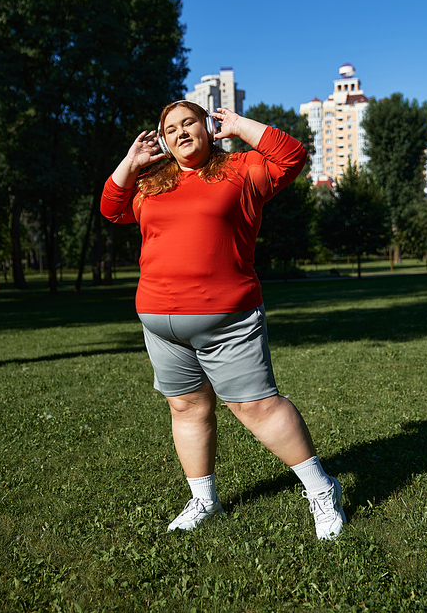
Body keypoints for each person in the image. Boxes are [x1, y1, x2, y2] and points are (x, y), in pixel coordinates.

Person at [101, 100, 346, 540]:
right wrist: (131, 161)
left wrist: (236, 125)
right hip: (160, 321)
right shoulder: (151, 184)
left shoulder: (241, 170)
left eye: (189, 122)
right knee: (186, 406)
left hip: (228, 317)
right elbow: (112, 208)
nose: (179, 132)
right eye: (169, 128)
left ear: (206, 127)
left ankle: (322, 490)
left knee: (256, 407)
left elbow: (291, 154)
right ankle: (204, 499)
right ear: (162, 140)